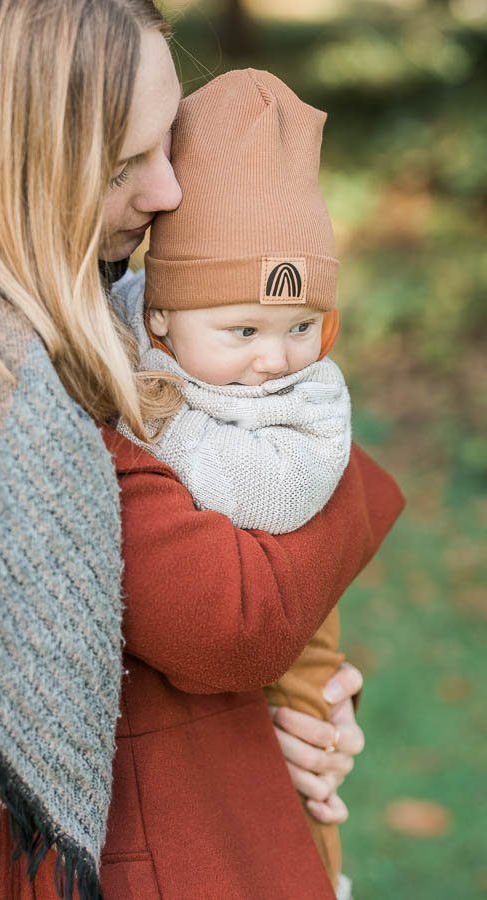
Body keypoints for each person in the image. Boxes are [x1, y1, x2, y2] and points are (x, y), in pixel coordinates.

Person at [0, 2, 404, 899]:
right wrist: (328, 453)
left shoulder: (85, 312)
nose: (168, 192)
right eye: (126, 163)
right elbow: (230, 619)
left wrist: (299, 705)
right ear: (3, 161)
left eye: (170, 144)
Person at [113, 68, 397, 898]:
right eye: (243, 330)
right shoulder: (130, 326)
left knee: (308, 757)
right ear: (160, 319)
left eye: (301, 327)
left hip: (294, 607)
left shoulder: (303, 394)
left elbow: (279, 494)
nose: (273, 358)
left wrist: (154, 424)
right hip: (226, 618)